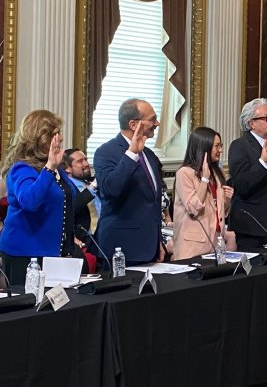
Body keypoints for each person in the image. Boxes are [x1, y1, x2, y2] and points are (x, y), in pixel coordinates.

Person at [0, 110, 85, 284]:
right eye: (55, 134)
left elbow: (69, 199)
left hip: (55, 254)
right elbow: (29, 202)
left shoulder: (56, 168)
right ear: (41, 139)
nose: (61, 138)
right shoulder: (21, 169)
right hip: (25, 255)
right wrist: (50, 167)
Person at [94, 99, 165, 266]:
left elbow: (152, 203)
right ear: (134, 125)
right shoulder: (105, 152)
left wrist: (158, 241)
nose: (157, 123)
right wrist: (132, 153)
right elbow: (111, 188)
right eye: (152, 119)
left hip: (149, 248)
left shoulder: (149, 155)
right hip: (121, 248)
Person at [228, 98, 267, 251]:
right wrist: (262, 161)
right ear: (251, 123)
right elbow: (242, 185)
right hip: (252, 225)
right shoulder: (239, 146)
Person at [172, 127, 235, 259]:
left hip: (215, 244)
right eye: (216, 146)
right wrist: (205, 179)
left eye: (221, 145)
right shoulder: (184, 173)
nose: (220, 150)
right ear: (204, 148)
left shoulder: (217, 173)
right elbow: (194, 208)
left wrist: (227, 201)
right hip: (192, 246)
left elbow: (219, 210)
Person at [63, 148, 101, 240]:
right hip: (83, 240)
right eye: (80, 161)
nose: (86, 164)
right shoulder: (64, 187)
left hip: (104, 235)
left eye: (86, 160)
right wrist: (92, 186)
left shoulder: (91, 183)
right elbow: (71, 207)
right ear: (67, 168)